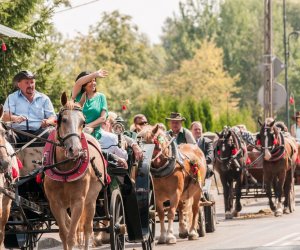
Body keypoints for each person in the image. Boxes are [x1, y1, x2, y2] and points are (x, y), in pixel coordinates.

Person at [3, 70, 56, 145]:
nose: (30, 85)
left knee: (50, 134)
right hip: (17, 133)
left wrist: (48, 122)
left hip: (39, 134)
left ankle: (47, 156)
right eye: (27, 82)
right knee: (6, 136)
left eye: (32, 82)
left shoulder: (44, 98)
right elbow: (5, 117)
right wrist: (16, 118)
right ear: (19, 85)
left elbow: (54, 119)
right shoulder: (12, 97)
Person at [72, 69, 108, 140]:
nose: (93, 83)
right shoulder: (77, 95)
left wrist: (87, 127)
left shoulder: (101, 97)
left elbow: (103, 118)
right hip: (76, 133)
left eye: (94, 80)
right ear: (83, 85)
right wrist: (94, 74)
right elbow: (78, 83)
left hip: (96, 133)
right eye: (89, 81)